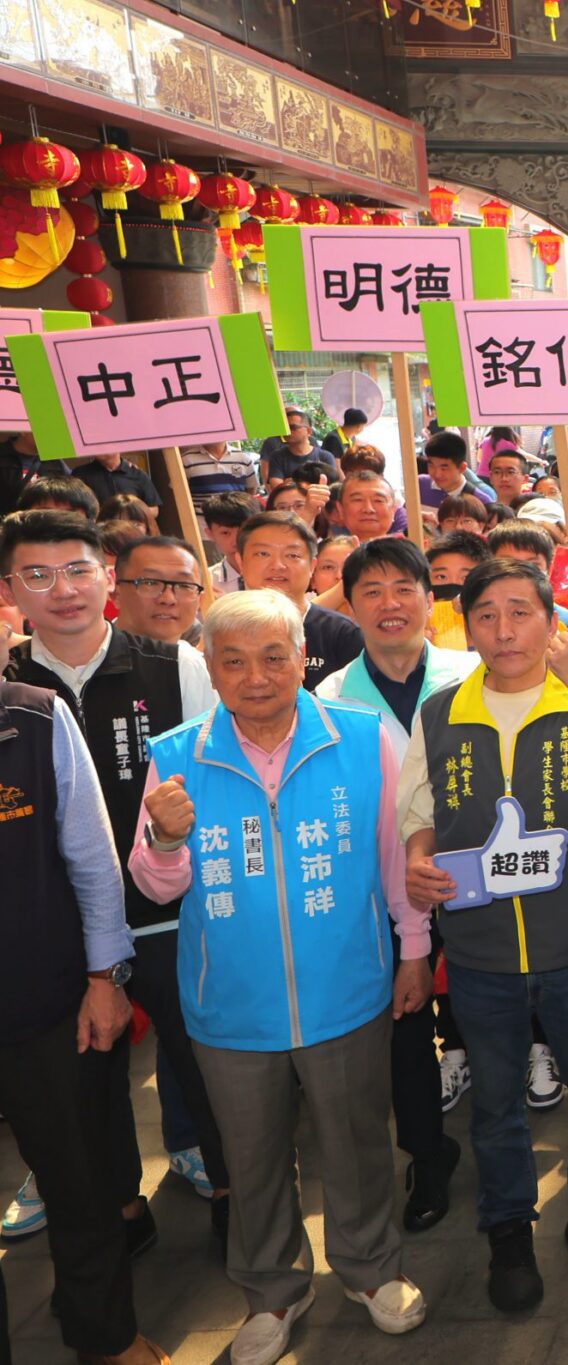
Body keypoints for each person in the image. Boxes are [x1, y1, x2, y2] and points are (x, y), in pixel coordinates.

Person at [131, 590, 431, 1361]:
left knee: (360, 1140)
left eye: (274, 656)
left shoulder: (361, 739)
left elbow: (395, 858)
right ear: (212, 667)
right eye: (232, 660)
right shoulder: (176, 755)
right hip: (231, 1007)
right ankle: (272, 1289)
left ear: (304, 657)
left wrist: (414, 949)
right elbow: (156, 885)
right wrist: (166, 839)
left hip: (348, 989)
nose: (255, 675)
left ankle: (370, 1267)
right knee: (252, 1155)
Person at [399, 559, 568, 1312]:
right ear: (464, 625)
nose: (504, 629)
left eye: (521, 611)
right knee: (498, 1101)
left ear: (553, 620)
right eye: (486, 614)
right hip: (479, 955)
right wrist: (417, 861)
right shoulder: (442, 711)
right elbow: (419, 812)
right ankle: (508, 1226)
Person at [1, 511, 227, 1254]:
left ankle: (231, 1191)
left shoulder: (174, 664)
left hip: (172, 909)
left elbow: (211, 790)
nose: (60, 590)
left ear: (107, 576)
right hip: (61, 937)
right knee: (91, 1083)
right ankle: (122, 1205)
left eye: (76, 569)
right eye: (37, 575)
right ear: (12, 590)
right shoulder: (12, 688)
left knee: (202, 1060)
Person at [0, 674, 170, 1365]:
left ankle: (105, 1335)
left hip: (45, 999)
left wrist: (105, 977)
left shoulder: (34, 720)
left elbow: (93, 856)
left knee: (79, 1177)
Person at [314, 539, 478, 1229]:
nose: (390, 603)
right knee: (404, 1027)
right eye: (372, 591)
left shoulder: (471, 671)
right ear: (349, 607)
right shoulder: (327, 697)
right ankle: (428, 1154)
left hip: (475, 874)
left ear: (429, 599)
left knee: (481, 1009)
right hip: (383, 888)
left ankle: (501, 1138)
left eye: (404, 587)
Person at [232, 511, 364, 690]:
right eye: (263, 554)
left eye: (292, 555)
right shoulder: (224, 630)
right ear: (240, 562)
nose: (278, 565)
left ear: (312, 566)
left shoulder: (342, 633)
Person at [113, 535, 207, 647]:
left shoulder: (196, 662)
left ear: (200, 600)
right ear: (116, 593)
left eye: (184, 585)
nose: (168, 599)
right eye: (150, 583)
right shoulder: (90, 658)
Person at [71, 450, 160, 531]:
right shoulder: (80, 473)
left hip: (132, 533)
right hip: (97, 533)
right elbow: (73, 508)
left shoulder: (138, 474)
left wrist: (127, 516)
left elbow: (154, 509)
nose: (97, 447)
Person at [181, 442, 260, 501]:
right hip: (201, 521)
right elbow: (180, 494)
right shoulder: (187, 459)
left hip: (237, 519)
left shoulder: (243, 458)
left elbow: (251, 487)